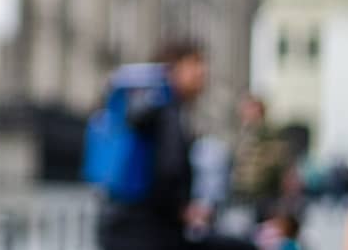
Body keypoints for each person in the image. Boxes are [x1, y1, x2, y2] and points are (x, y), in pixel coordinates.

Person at [97, 40, 253, 250]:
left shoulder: (148, 108)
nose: (202, 73)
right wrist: (184, 210)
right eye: (195, 64)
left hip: (122, 225)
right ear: (174, 68)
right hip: (150, 230)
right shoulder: (167, 111)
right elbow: (168, 168)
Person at [231, 94, 291, 222]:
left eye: (249, 108)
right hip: (243, 194)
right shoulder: (243, 133)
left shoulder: (268, 134)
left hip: (263, 194)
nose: (244, 112)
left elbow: (277, 164)